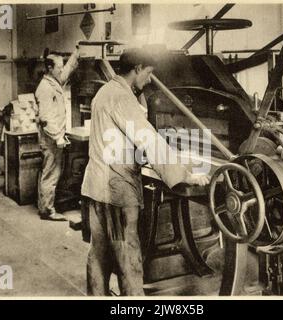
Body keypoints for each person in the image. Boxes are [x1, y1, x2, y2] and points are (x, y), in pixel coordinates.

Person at [80, 48, 210, 296]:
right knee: (128, 259)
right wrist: (182, 174)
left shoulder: (105, 92)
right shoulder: (121, 97)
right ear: (138, 68)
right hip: (115, 193)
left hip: (95, 187)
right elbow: (148, 139)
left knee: (98, 253)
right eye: (149, 73)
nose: (150, 79)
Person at [35, 44, 80, 221]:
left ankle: (46, 205)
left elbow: (67, 70)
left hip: (54, 138)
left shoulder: (54, 81)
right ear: (49, 68)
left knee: (50, 172)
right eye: (58, 67)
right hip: (51, 139)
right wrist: (58, 137)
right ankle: (47, 211)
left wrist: (77, 52)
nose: (61, 69)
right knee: (50, 174)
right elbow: (45, 118)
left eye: (62, 66)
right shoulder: (45, 88)